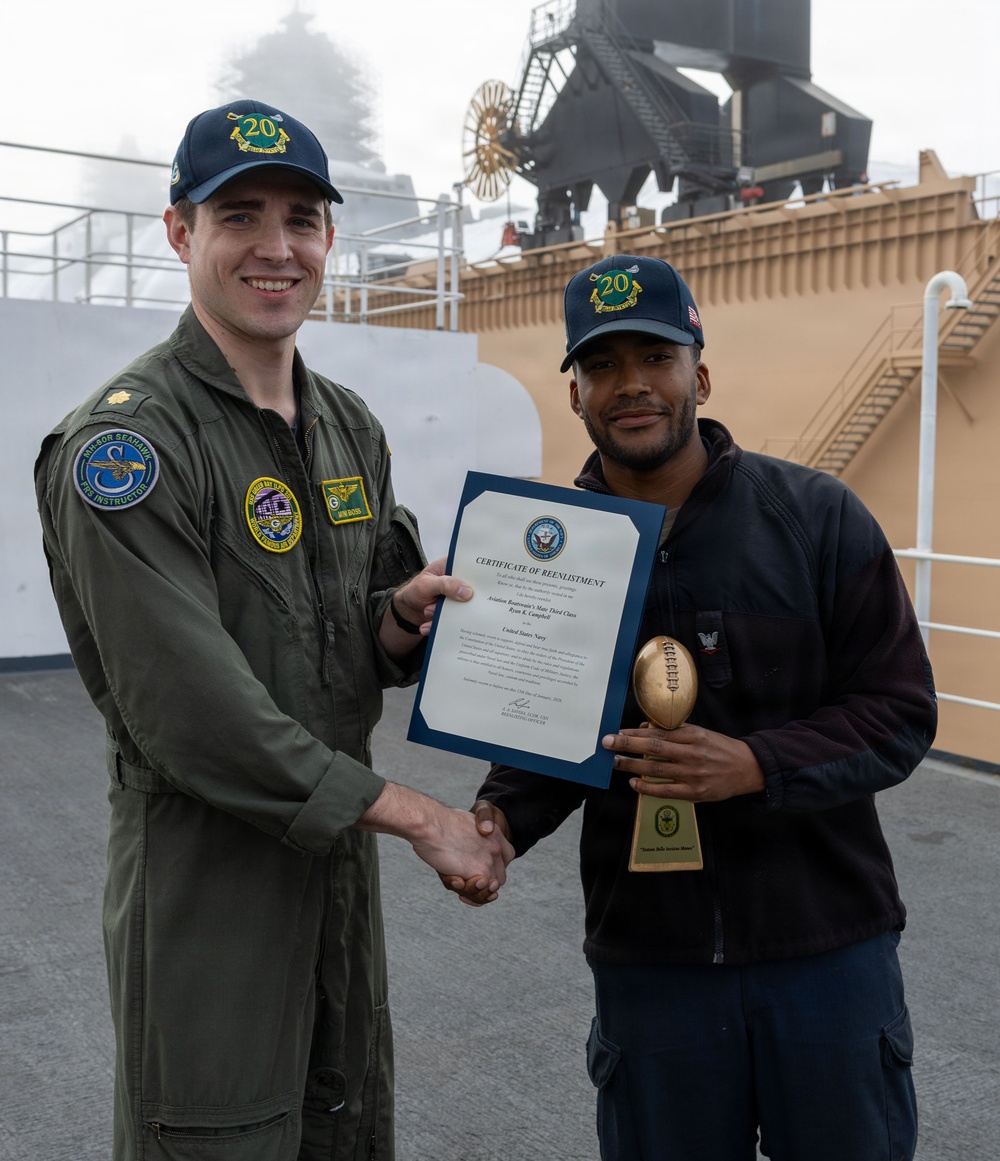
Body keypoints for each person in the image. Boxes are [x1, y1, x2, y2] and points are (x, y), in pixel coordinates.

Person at [34, 99, 511, 1161]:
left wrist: (397, 624)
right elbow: (192, 715)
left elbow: (351, 631)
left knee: (340, 1125)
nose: (275, 247)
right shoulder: (128, 448)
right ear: (179, 231)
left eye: (301, 218)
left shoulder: (346, 425)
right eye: (238, 215)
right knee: (217, 1135)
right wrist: (425, 819)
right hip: (206, 877)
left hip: (334, 862)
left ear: (329, 238)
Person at [448, 254, 936, 1161]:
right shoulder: (551, 550)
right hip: (653, 963)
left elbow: (899, 712)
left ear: (698, 374)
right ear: (575, 394)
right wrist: (496, 822)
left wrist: (756, 765)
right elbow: (546, 729)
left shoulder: (817, 518)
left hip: (825, 947)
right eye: (601, 365)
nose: (631, 385)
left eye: (656, 357)